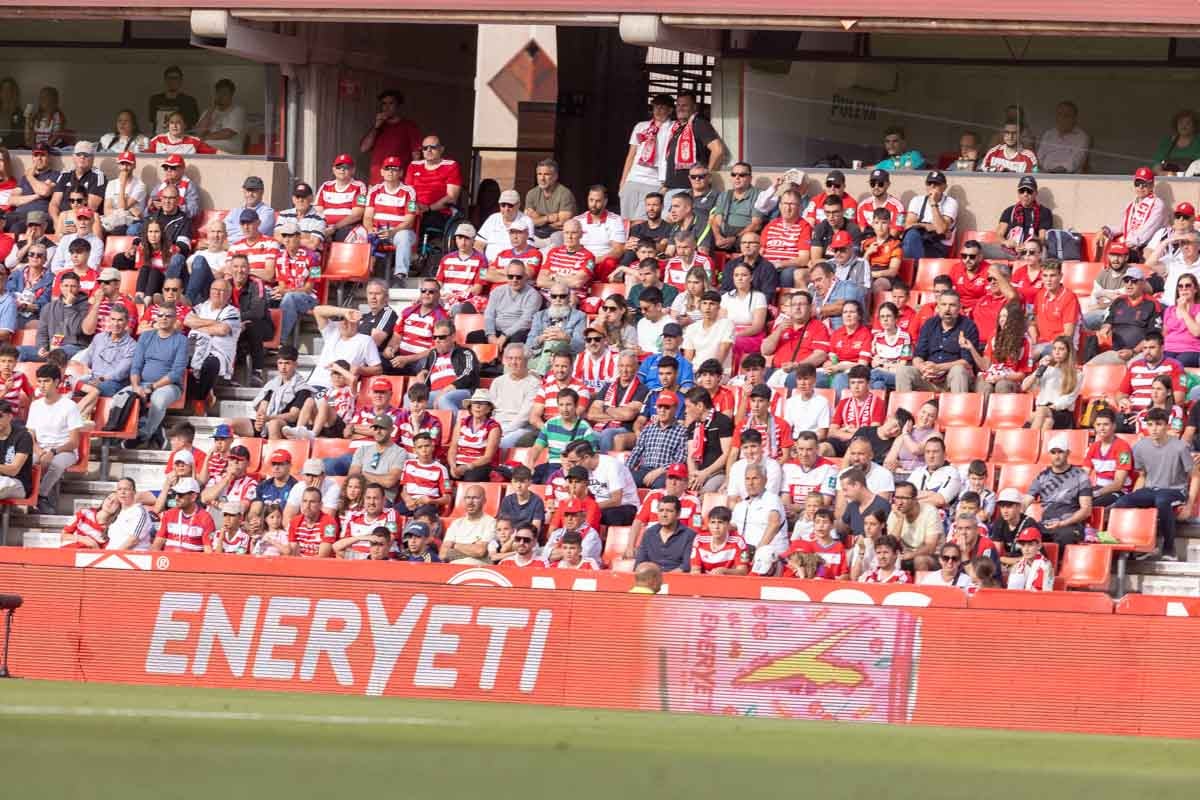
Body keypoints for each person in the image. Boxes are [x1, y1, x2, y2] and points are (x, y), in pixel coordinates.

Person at [896, 291, 979, 392]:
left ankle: (957, 407)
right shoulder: (930, 324)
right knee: (903, 371)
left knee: (959, 370)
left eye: (952, 305)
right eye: (943, 305)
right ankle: (904, 407)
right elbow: (918, 355)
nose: (947, 309)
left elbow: (967, 362)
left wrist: (939, 367)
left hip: (952, 376)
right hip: (928, 377)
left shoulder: (968, 326)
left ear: (959, 308)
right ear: (938, 307)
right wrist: (923, 367)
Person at [1023, 433, 1094, 549]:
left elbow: (1086, 510)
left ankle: (1056, 566)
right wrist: (1018, 514)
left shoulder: (1080, 475)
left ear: (1068, 453)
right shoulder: (1042, 476)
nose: (1057, 456)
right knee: (1025, 532)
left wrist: (1062, 523)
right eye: (1053, 452)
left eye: (1060, 452)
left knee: (1065, 536)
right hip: (1046, 524)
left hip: (1069, 524)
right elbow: (1026, 500)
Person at [183, 280, 241, 414]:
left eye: (222, 291)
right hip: (195, 346)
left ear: (228, 294)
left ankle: (200, 399)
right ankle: (202, 394)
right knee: (182, 363)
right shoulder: (201, 307)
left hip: (218, 351)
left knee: (210, 364)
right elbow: (187, 321)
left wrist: (199, 326)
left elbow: (222, 330)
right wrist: (213, 323)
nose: (217, 293)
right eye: (215, 289)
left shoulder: (232, 311)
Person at [618, 94, 675, 220]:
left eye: (662, 107)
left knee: (642, 221)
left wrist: (665, 185)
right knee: (625, 221)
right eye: (655, 107)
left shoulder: (673, 128)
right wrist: (623, 181)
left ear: (670, 110)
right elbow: (631, 155)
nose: (658, 111)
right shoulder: (641, 126)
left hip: (654, 182)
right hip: (633, 179)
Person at [1090, 267, 1160, 366]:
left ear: (1143, 283)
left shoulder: (1152, 304)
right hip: (1116, 352)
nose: (1129, 284)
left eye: (1134, 281)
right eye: (1126, 281)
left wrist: (1133, 351)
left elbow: (1153, 337)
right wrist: (1105, 329)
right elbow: (1108, 321)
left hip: (1140, 353)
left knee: (1131, 368)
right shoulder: (1119, 301)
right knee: (1090, 367)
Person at [661, 90, 725, 198]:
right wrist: (665, 188)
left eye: (685, 105)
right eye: (678, 105)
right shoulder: (677, 127)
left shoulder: (699, 124)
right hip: (671, 189)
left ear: (694, 107)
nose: (680, 108)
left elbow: (718, 150)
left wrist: (706, 178)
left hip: (689, 190)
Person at [1095, 167, 1166, 262]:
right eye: (1137, 183)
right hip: (1129, 248)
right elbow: (1123, 228)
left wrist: (1124, 246)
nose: (1140, 187)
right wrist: (1105, 230)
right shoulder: (1131, 205)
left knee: (1116, 258)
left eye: (1144, 184)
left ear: (1152, 185)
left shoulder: (1157, 204)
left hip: (1143, 249)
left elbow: (1146, 232)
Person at [411, 319, 479, 411]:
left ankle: (456, 425)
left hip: (460, 391)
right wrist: (422, 377)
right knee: (409, 399)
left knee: (444, 399)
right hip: (434, 393)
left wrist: (445, 390)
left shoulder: (465, 353)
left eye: (442, 337)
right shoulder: (432, 354)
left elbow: (468, 375)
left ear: (453, 337)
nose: (437, 340)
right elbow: (424, 372)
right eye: (435, 337)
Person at [20, 270, 87, 362]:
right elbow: (42, 333)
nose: (69, 290)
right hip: (51, 348)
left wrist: (69, 306)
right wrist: (42, 348)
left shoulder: (86, 306)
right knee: (18, 351)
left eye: (73, 286)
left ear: (79, 288)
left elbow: (76, 329)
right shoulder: (49, 307)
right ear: (60, 287)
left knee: (57, 354)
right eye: (66, 286)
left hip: (74, 347)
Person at [359, 89, 421, 182]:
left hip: (398, 182)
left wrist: (413, 180)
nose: (387, 107)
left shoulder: (409, 126)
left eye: (391, 103)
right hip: (376, 182)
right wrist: (376, 127)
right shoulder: (378, 127)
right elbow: (363, 148)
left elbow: (416, 155)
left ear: (398, 106)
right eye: (384, 104)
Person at [1022, 336, 1082, 431]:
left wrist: (1047, 409)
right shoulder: (1047, 369)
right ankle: (1036, 444)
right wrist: (1040, 369)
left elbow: (1069, 399)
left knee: (1040, 413)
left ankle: (1030, 442)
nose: (1057, 352)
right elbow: (1024, 387)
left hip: (1062, 413)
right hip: (1043, 415)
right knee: (1047, 421)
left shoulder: (1077, 374)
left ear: (1068, 352)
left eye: (1061, 349)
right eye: (1054, 349)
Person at [447, 390, 502, 482]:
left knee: (470, 478)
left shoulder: (493, 427)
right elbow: (453, 449)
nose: (478, 406)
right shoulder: (461, 423)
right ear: (470, 407)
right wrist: (452, 466)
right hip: (458, 462)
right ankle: (447, 494)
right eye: (475, 403)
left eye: (482, 403)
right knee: (443, 476)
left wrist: (468, 466)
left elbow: (488, 457)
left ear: (489, 409)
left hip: (479, 464)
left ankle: (466, 495)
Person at [901, 170, 957, 260]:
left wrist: (933, 204)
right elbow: (909, 225)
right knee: (911, 235)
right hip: (918, 240)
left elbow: (940, 229)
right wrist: (928, 226)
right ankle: (915, 269)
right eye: (929, 183)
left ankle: (915, 269)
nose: (932, 186)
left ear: (944, 187)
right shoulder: (917, 200)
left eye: (936, 184)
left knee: (911, 238)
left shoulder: (950, 202)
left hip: (938, 245)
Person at [404, 135, 462, 221]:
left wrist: (428, 208)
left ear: (441, 149)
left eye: (433, 147)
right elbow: (408, 194)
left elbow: (451, 197)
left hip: (438, 213)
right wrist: (413, 209)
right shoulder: (414, 165)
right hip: (415, 212)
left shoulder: (451, 166)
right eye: (425, 148)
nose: (429, 150)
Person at [634, 495, 697, 573]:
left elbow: (686, 566)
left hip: (678, 579)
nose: (664, 515)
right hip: (652, 579)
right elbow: (640, 563)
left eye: (669, 511)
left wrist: (666, 577)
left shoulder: (690, 535)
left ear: (678, 514)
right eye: (661, 510)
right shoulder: (649, 533)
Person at [1087, 408, 1134, 509]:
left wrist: (1096, 493)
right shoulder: (1093, 447)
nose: (1102, 428)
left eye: (1106, 424)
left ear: (1113, 426)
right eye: (1098, 425)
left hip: (1118, 492)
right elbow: (1083, 475)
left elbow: (1118, 483)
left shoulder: (1123, 448)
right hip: (1098, 488)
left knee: (1089, 505)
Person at [315, 154, 368, 243]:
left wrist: (334, 227)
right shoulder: (325, 186)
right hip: (325, 227)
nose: (342, 169)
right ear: (333, 169)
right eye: (339, 167)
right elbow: (318, 211)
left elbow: (357, 215)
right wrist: (324, 228)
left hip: (348, 227)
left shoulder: (360, 186)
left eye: (346, 167)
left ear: (353, 170)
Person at [524, 159, 576, 249]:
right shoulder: (531, 193)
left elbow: (562, 222)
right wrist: (548, 218)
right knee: (522, 235)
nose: (542, 178)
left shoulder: (565, 193)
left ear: (555, 176)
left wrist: (538, 217)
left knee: (558, 237)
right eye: (539, 174)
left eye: (546, 174)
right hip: (537, 234)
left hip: (556, 235)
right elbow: (528, 222)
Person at [439, 485, 497, 564]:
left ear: (484, 501)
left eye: (475, 498)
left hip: (478, 571)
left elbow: (480, 551)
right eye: (468, 498)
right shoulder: (456, 523)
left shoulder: (491, 522)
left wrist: (454, 545)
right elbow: (443, 554)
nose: (470, 502)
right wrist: (472, 548)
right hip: (453, 571)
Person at [5, 146, 57, 234]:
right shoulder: (24, 178)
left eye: (43, 155)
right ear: (32, 158)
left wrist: (30, 176)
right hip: (18, 214)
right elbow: (11, 200)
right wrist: (37, 196)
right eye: (36, 155)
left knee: (16, 228)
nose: (39, 158)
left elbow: (44, 191)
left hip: (38, 215)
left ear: (49, 158)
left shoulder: (55, 175)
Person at [101, 150, 146, 235]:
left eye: (128, 164)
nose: (125, 167)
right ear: (118, 165)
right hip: (113, 219)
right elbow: (106, 210)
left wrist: (122, 184)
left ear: (134, 165)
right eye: (122, 164)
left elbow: (123, 207)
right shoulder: (112, 183)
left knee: (123, 229)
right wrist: (123, 210)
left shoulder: (140, 185)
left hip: (132, 222)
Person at [1037, 101, 1089, 174]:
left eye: (1066, 115)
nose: (1062, 118)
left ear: (1075, 118)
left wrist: (1057, 172)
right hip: (1045, 174)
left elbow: (1076, 161)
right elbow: (1039, 158)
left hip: (1068, 177)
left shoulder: (1081, 137)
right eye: (1059, 114)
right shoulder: (1049, 134)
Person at [147, 65, 198, 132]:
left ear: (180, 81)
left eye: (176, 78)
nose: (172, 81)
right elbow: (152, 122)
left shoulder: (189, 101)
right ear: (165, 80)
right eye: (170, 78)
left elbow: (193, 124)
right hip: (161, 137)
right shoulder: (155, 100)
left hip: (182, 138)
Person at [0, 400, 32, 500]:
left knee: (4, 484)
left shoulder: (23, 436)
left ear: (10, 417)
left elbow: (14, 470)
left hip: (17, 483)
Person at [146, 111, 216, 155]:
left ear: (185, 125)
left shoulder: (194, 141)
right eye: (172, 122)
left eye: (178, 122)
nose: (175, 126)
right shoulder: (158, 139)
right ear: (168, 125)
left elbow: (216, 152)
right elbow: (141, 155)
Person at [1153, 109, 1200, 174]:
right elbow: (1156, 165)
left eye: (1188, 123)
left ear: (1194, 126)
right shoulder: (1167, 142)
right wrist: (1166, 174)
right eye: (1181, 122)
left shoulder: (1198, 141)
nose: (1184, 126)